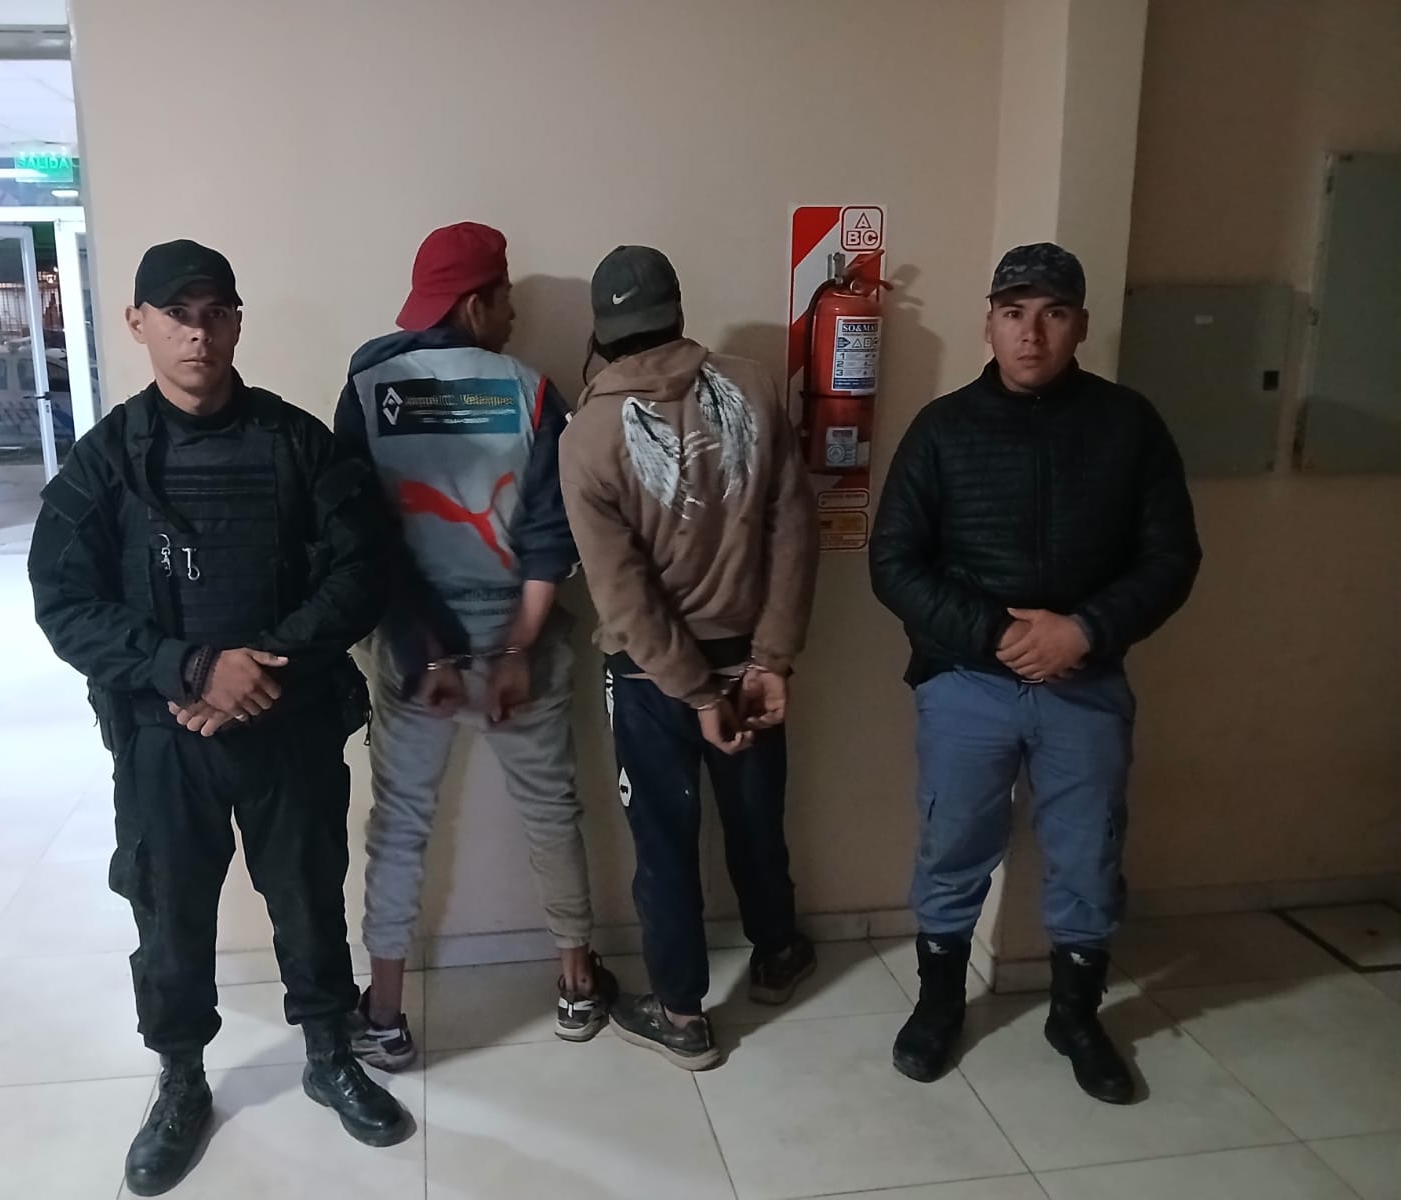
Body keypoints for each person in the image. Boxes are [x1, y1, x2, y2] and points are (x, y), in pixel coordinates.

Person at [28, 240, 409, 1196]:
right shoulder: (106, 460)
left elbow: (363, 568)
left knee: (309, 894)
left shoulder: (297, 444)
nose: (196, 334)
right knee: (168, 910)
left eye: (214, 314)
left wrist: (262, 663)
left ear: (236, 322)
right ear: (139, 324)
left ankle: (329, 1055)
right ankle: (181, 1080)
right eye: (176, 315)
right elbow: (63, 602)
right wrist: (192, 667)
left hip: (288, 721)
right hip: (164, 737)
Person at [869, 242, 1202, 1104]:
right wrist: (997, 634)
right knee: (953, 847)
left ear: (1080, 326)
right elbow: (893, 564)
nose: (1032, 333)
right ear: (988, 324)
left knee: (1088, 855)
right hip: (966, 681)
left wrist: (1084, 631)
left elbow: (1171, 559)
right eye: (1014, 313)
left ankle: (1075, 1017)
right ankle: (939, 1004)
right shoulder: (942, 430)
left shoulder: (1130, 426)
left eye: (1053, 314)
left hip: (1085, 683)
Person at [334, 221, 612, 1068]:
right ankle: (576, 986)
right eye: (506, 301)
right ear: (476, 303)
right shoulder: (534, 391)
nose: (515, 317)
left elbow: (362, 537)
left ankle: (385, 1012)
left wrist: (429, 651)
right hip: (515, 645)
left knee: (400, 826)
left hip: (412, 652)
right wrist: (516, 649)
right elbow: (550, 535)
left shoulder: (368, 387)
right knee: (551, 813)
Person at [559, 245, 820, 1071]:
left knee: (664, 845)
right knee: (756, 823)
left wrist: (695, 693)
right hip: (749, 664)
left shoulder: (587, 435)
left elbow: (622, 594)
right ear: (677, 311)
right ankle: (777, 954)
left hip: (650, 681)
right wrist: (771, 659)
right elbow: (794, 530)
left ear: (601, 334)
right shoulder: (755, 387)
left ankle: (681, 1016)